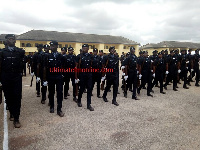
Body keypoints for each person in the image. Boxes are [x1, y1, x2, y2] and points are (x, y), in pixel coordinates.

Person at [0, 34, 25, 128]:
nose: (11, 40)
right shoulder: (2, 52)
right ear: (6, 41)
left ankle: (16, 118)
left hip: (16, 78)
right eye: (9, 39)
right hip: (6, 78)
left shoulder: (20, 52)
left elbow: (22, 64)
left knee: (17, 97)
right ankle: (11, 112)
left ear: (15, 41)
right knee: (8, 97)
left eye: (12, 39)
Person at [43, 41, 65, 117]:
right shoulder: (47, 56)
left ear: (56, 46)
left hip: (59, 76)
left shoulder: (61, 56)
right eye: (51, 46)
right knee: (51, 92)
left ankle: (59, 109)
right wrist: (45, 79)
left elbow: (64, 66)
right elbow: (45, 68)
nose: (52, 47)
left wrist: (63, 75)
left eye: (53, 46)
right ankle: (52, 106)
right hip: (51, 76)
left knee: (59, 93)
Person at [75, 44, 94, 111]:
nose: (84, 49)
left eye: (86, 48)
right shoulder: (79, 56)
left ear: (88, 49)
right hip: (82, 74)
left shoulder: (91, 56)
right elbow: (76, 67)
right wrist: (76, 77)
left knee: (89, 89)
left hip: (89, 75)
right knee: (81, 89)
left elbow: (92, 65)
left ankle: (89, 105)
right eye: (83, 48)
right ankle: (79, 100)